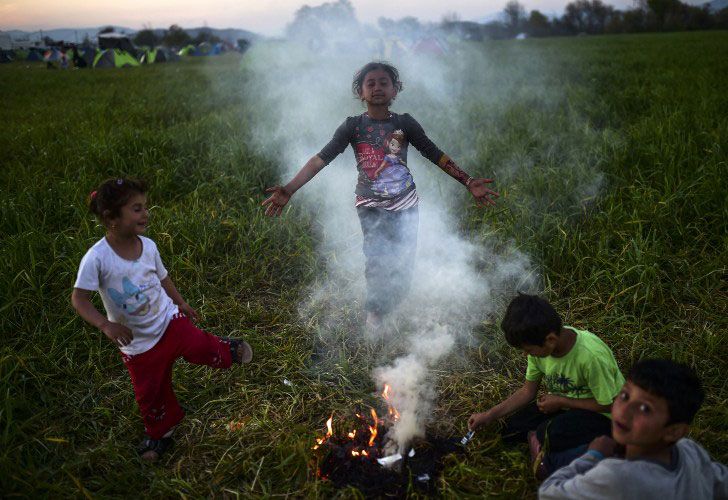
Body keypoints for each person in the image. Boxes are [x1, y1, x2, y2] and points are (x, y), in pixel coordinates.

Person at [262, 61, 499, 330]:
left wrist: (467, 181)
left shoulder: (405, 123)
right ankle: (375, 315)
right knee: (377, 258)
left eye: (384, 83)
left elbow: (434, 153)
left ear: (395, 90)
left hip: (406, 202)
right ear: (360, 92)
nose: (377, 88)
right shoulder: (352, 126)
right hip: (370, 203)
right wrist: (289, 189)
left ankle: (394, 304)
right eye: (370, 83)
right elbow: (321, 159)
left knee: (404, 261)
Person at [71, 178, 253, 461]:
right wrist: (105, 324)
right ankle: (160, 434)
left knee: (197, 345)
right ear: (111, 218)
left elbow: (163, 277)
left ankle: (226, 349)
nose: (145, 213)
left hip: (169, 321)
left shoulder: (149, 246)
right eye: (136, 209)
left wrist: (180, 303)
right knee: (150, 393)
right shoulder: (96, 259)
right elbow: (79, 298)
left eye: (145, 207)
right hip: (137, 343)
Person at [468, 293, 624, 477]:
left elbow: (612, 404)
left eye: (528, 350)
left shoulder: (591, 356)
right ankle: (543, 439)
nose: (526, 355)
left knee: (547, 434)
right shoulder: (540, 350)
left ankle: (557, 450)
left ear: (550, 339)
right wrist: (489, 415)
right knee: (510, 431)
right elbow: (528, 391)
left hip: (603, 415)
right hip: (565, 406)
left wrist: (561, 402)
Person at [539, 359, 728, 499]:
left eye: (645, 408)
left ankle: (542, 460)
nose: (625, 411)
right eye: (625, 395)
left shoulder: (615, 477)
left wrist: (592, 456)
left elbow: (549, 493)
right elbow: (720, 481)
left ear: (674, 431)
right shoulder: (690, 450)